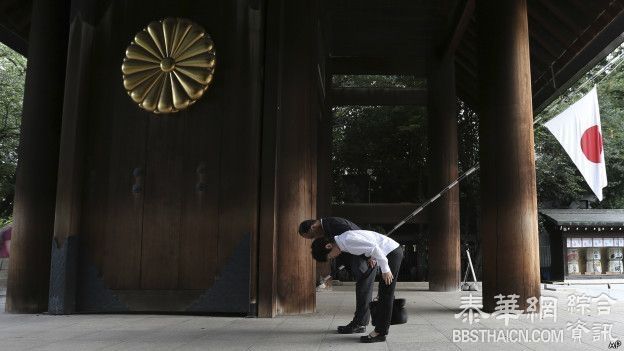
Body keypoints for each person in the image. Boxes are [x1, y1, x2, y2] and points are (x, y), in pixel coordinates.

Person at [311, 230, 403, 343]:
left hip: (390, 254)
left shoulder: (348, 241)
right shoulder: (343, 241)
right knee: (384, 293)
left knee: (386, 294)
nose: (332, 257)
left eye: (329, 256)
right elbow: (369, 246)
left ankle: (380, 333)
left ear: (328, 246)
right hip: (389, 252)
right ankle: (381, 331)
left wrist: (385, 269)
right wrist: (372, 258)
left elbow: (374, 247)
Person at [298, 218, 377, 334]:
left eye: (311, 236)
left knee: (363, 291)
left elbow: (358, 237)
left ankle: (360, 323)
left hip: (366, 258)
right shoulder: (328, 228)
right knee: (362, 290)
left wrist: (370, 256)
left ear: (313, 227)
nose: (314, 238)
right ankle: (359, 322)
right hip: (360, 258)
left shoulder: (334, 224)